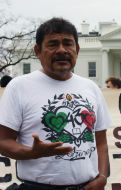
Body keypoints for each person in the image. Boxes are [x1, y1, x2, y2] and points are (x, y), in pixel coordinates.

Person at [0, 17, 111, 190]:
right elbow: (3, 141)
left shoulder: (91, 88)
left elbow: (101, 142)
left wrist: (102, 177)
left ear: (77, 49)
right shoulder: (19, 87)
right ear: (37, 50)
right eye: (53, 44)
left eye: (68, 43)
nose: (62, 50)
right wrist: (31, 153)